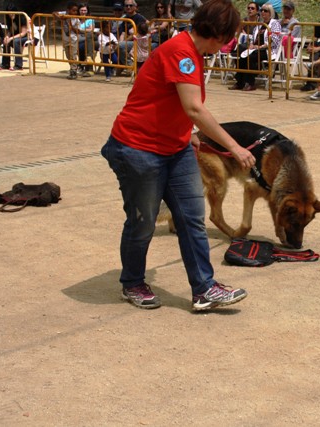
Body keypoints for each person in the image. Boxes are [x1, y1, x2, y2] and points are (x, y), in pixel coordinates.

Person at [100, 0, 252, 311]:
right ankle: (132, 283)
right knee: (143, 222)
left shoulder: (193, 53)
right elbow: (194, 107)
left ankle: (205, 289)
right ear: (217, 33)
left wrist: (189, 134)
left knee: (191, 218)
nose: (226, 46)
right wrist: (233, 147)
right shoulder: (182, 52)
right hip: (137, 148)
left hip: (176, 147)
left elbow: (173, 102)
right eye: (227, 38)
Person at [230, 3, 281, 91]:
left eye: (266, 11)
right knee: (242, 55)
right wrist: (252, 45)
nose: (263, 12)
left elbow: (274, 40)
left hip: (268, 50)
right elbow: (254, 39)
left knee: (250, 56)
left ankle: (250, 83)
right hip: (256, 48)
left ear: (270, 12)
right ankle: (240, 82)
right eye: (262, 10)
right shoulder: (260, 24)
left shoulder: (275, 23)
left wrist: (262, 46)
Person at [116, 0, 147, 75]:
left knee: (120, 46)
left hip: (138, 42)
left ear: (135, 7)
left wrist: (123, 42)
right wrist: (120, 42)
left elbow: (136, 34)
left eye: (130, 5)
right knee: (117, 46)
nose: (128, 7)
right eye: (126, 6)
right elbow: (123, 32)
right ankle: (125, 65)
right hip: (129, 41)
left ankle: (130, 65)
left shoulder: (139, 18)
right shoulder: (125, 18)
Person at [53, 2, 81, 80]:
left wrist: (71, 27)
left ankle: (73, 70)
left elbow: (78, 31)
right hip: (65, 38)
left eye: (76, 11)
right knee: (68, 55)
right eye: (73, 10)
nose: (75, 13)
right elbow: (54, 13)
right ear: (68, 10)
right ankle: (73, 67)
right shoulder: (64, 14)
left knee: (73, 55)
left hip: (73, 39)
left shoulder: (76, 19)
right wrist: (59, 17)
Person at [0, 5, 30, 71]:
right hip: (16, 37)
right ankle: (5, 64)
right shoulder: (9, 19)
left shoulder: (22, 17)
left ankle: (18, 65)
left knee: (15, 41)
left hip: (27, 37)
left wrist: (11, 38)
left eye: (11, 12)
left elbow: (23, 33)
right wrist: (7, 36)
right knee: (6, 41)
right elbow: (10, 30)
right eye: (8, 12)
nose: (10, 14)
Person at [77, 3, 96, 76]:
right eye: (82, 10)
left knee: (86, 43)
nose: (83, 12)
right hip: (78, 38)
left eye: (85, 10)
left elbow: (91, 30)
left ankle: (88, 67)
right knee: (80, 45)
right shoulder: (76, 19)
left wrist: (80, 29)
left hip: (88, 38)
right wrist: (85, 29)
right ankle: (81, 66)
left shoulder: (90, 19)